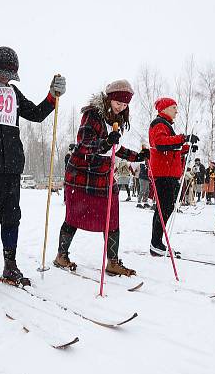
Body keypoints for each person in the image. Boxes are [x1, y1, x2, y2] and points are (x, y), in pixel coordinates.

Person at [0, 47, 66, 296]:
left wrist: (52, 96)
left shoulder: (13, 92)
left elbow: (36, 114)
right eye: (2, 74)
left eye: (10, 75)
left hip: (11, 166)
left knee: (11, 217)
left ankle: (10, 265)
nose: (5, 80)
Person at [54, 80, 147, 275]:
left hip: (103, 176)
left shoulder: (117, 119)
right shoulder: (92, 114)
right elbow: (84, 143)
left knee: (111, 219)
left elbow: (115, 148)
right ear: (109, 98)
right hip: (82, 174)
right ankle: (61, 256)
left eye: (124, 105)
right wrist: (105, 142)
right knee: (73, 217)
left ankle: (113, 262)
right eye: (118, 103)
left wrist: (136, 157)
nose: (121, 108)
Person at [148, 97, 196, 255]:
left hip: (168, 172)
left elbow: (169, 150)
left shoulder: (165, 124)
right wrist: (183, 138)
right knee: (164, 209)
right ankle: (155, 243)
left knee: (165, 208)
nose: (176, 111)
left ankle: (157, 242)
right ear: (165, 108)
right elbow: (160, 143)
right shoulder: (159, 123)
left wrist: (185, 148)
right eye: (174, 107)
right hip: (164, 174)